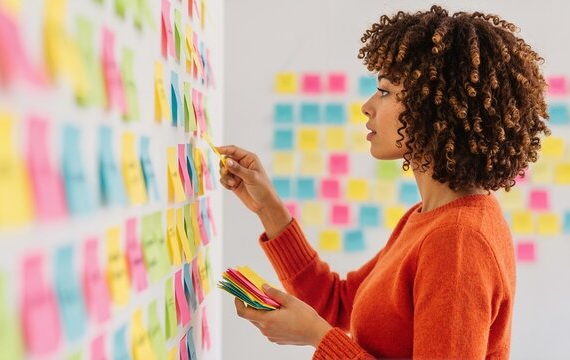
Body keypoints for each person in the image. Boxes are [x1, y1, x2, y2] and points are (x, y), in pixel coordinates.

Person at [218, 5, 550, 359]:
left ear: (432, 107)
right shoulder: (429, 218)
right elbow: (338, 302)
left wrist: (319, 337)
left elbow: (327, 321)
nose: (367, 106)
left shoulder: (458, 240)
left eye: (385, 91)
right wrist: (267, 206)